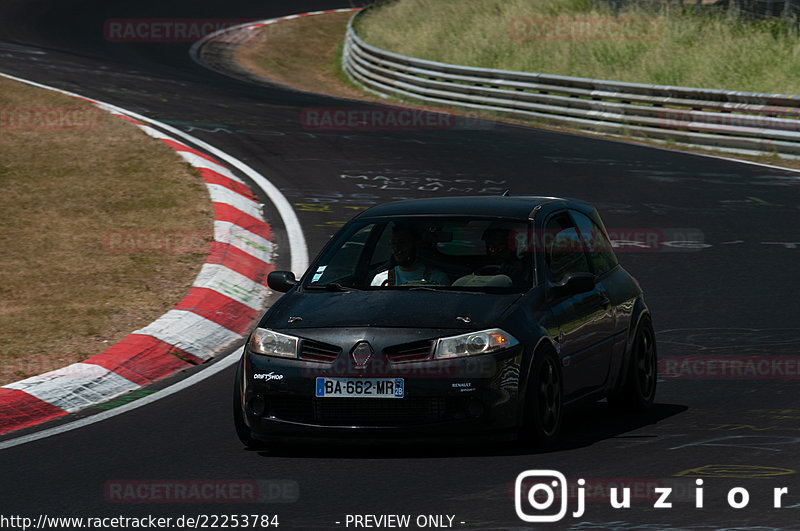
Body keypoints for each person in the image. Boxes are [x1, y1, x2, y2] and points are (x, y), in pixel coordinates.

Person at [372, 225, 449, 286]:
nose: (397, 248)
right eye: (393, 243)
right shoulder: (381, 280)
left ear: (416, 244)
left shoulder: (437, 279)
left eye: (402, 243)